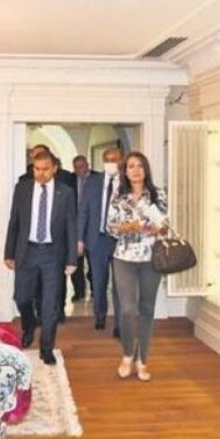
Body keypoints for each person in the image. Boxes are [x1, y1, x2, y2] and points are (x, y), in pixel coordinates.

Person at [4, 149, 77, 365]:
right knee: (22, 298)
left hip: (52, 254)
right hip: (26, 252)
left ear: (54, 169)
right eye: (37, 169)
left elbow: (71, 227)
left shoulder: (66, 192)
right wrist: (9, 253)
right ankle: (29, 326)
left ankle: (46, 349)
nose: (41, 173)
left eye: (45, 169)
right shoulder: (22, 189)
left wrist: (72, 259)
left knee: (50, 305)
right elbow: (14, 221)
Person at [105, 151, 168, 382]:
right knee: (127, 309)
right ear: (125, 170)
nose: (136, 170)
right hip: (124, 258)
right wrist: (128, 226)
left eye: (140, 165)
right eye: (131, 166)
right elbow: (110, 227)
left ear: (145, 169)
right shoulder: (118, 195)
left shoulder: (158, 194)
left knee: (146, 310)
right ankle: (127, 355)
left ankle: (142, 361)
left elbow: (164, 224)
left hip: (151, 259)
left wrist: (157, 228)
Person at [77, 147, 122, 333]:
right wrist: (80, 238)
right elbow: (83, 211)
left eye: (114, 159)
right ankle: (100, 315)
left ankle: (120, 323)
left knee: (120, 284)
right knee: (98, 281)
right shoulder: (93, 181)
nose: (111, 163)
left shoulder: (127, 182)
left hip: (120, 241)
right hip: (97, 239)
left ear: (121, 160)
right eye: (107, 160)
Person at [70, 154, 94, 301]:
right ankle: (79, 291)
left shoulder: (97, 178)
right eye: (76, 167)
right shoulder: (70, 180)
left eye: (82, 166)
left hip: (92, 226)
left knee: (93, 260)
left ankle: (95, 290)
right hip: (74, 225)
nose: (79, 170)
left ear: (87, 165)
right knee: (76, 260)